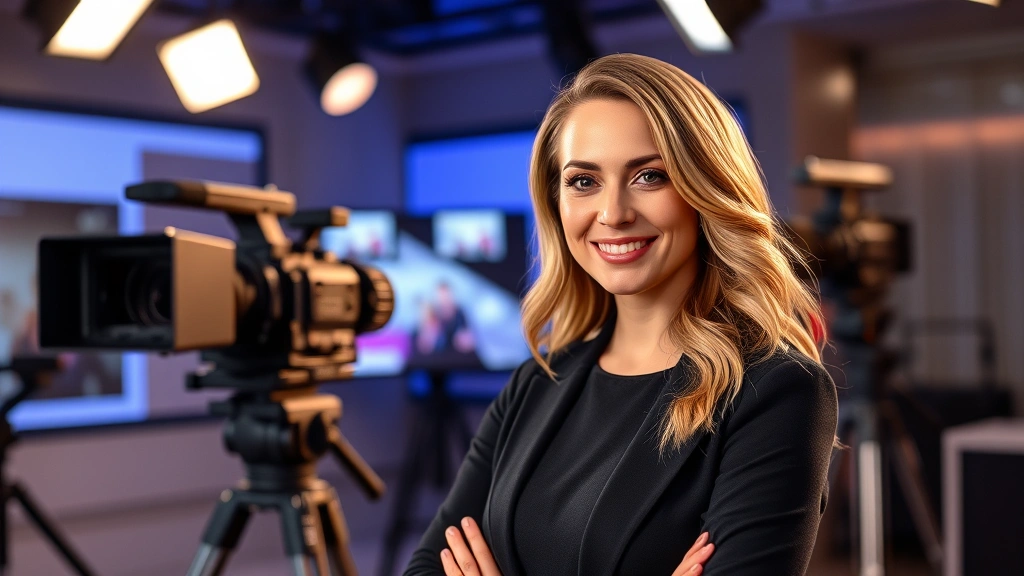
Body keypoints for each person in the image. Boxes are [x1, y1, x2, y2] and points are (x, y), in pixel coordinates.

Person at [403, 53, 838, 575]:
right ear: (556, 201)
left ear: (707, 189)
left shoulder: (775, 391)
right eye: (584, 181)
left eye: (650, 176)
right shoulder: (537, 382)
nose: (613, 213)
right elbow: (428, 565)